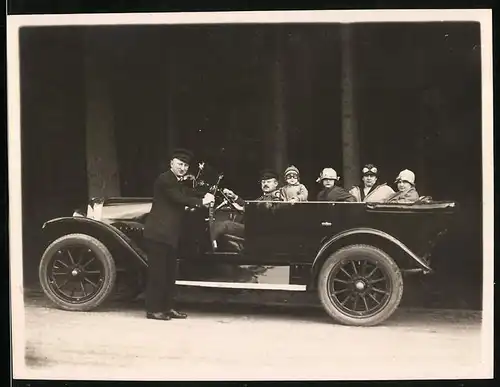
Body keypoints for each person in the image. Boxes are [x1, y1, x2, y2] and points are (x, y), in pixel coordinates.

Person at [143, 148, 215, 321]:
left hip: (169, 235)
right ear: (171, 164)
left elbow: (186, 192)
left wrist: (203, 194)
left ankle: (167, 308)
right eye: (180, 164)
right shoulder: (165, 179)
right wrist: (201, 201)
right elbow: (178, 198)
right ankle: (153, 310)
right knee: (158, 274)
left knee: (169, 274)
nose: (183, 168)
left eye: (185, 165)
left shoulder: (176, 181)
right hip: (159, 234)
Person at [211, 169, 283, 248]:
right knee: (220, 224)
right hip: (254, 228)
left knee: (224, 225)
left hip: (261, 230)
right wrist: (234, 197)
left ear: (276, 183)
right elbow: (250, 204)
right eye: (263, 182)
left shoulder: (278, 196)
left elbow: (265, 208)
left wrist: (243, 209)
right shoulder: (262, 198)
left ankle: (211, 247)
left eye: (268, 182)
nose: (265, 184)